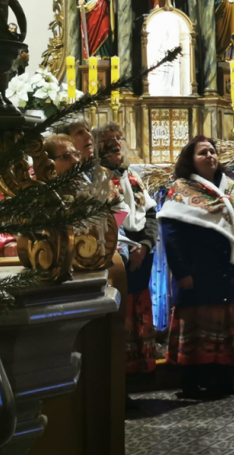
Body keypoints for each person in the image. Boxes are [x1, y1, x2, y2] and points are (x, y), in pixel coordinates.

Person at [158, 136, 234, 398]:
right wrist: (181, 273)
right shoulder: (180, 190)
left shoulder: (231, 189)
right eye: (203, 152)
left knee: (228, 326)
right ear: (190, 159)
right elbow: (171, 236)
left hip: (230, 271)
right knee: (198, 327)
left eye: (213, 151)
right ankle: (195, 382)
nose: (210, 156)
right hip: (198, 272)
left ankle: (227, 380)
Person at [93, 122, 158, 376]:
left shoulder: (132, 175)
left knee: (137, 312)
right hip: (118, 256)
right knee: (120, 319)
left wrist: (145, 245)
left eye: (118, 138)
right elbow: (105, 223)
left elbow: (151, 214)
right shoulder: (96, 178)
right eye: (106, 139)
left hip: (140, 254)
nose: (114, 144)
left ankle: (139, 374)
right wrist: (125, 247)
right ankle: (120, 384)